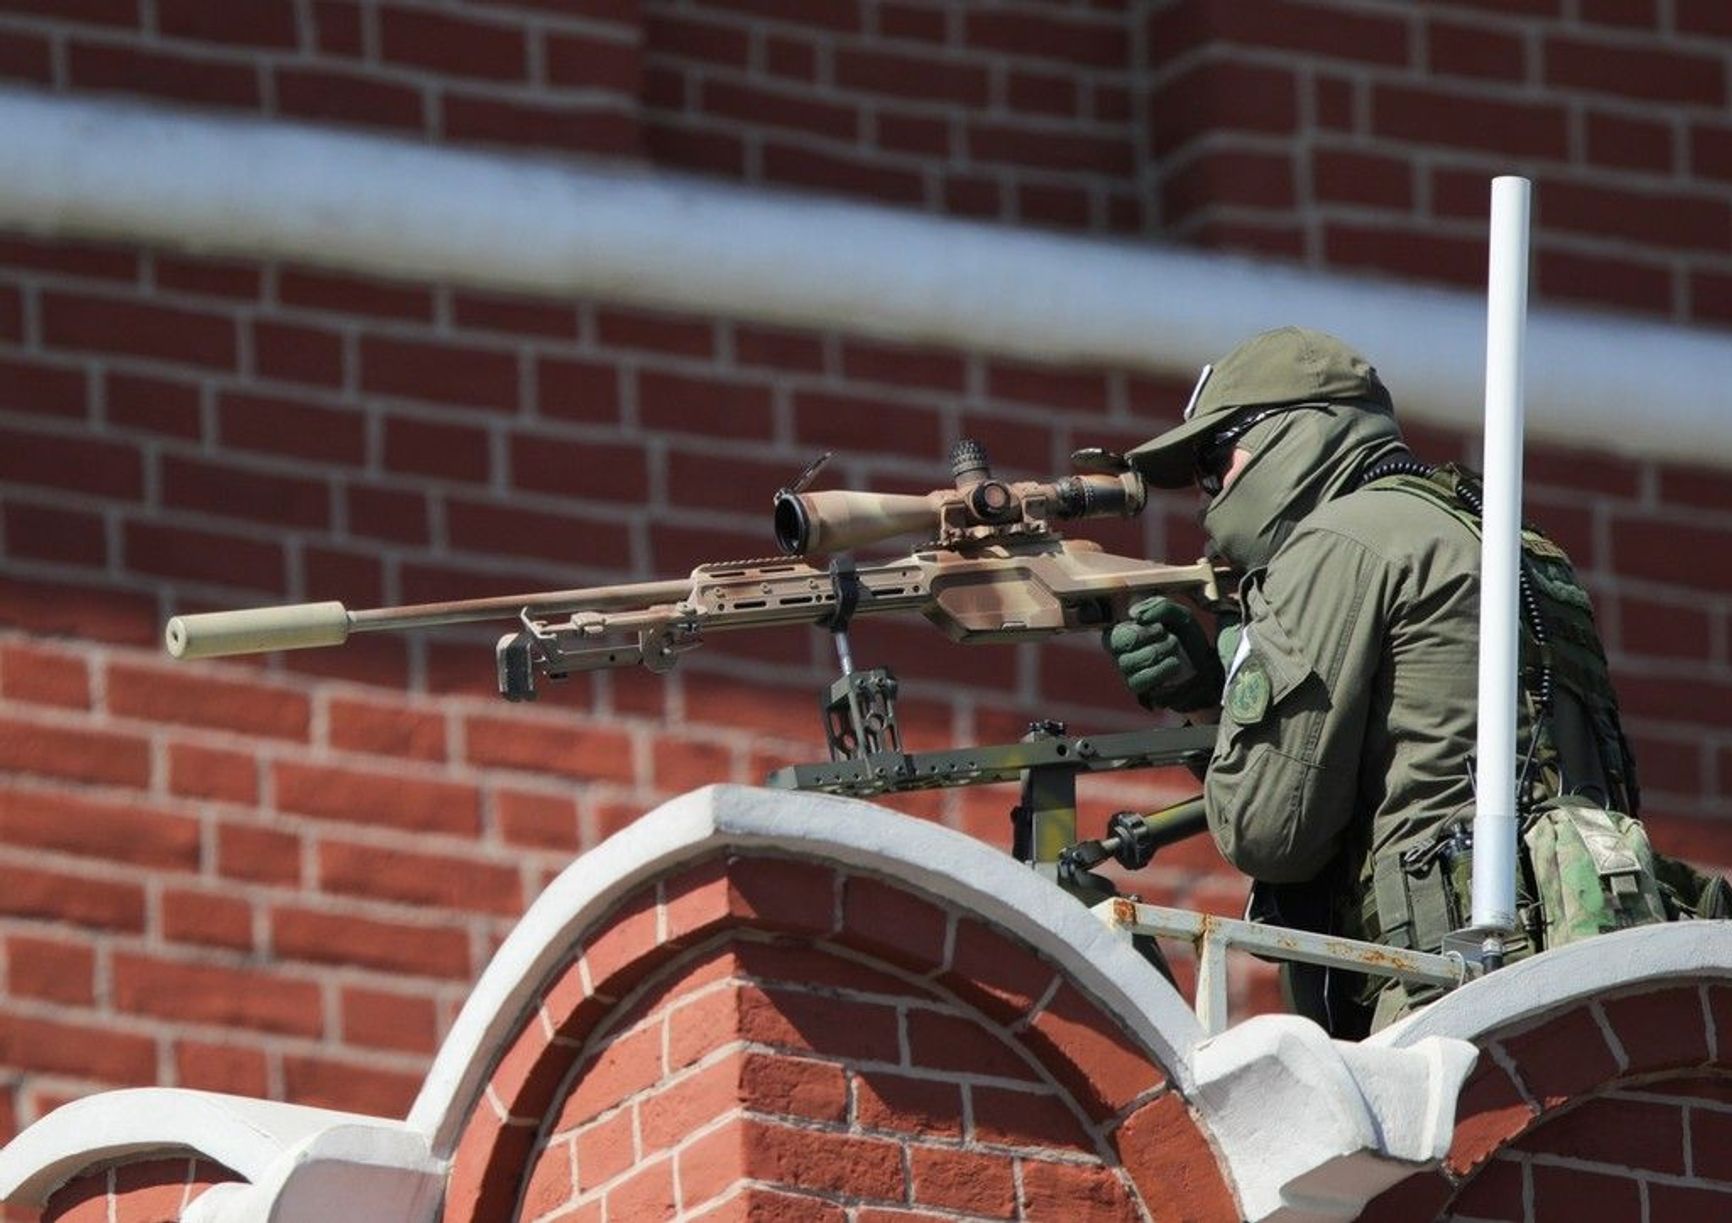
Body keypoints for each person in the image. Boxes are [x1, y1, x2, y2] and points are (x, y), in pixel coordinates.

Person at [1102, 325, 1665, 1037]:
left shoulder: (1335, 539)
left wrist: (1237, 683)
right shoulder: (1502, 534)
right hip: (1595, 957)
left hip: (1445, 978)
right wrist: (1216, 695)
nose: (1208, 497)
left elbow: (1267, 829)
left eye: (1216, 463)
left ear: (1295, 434)